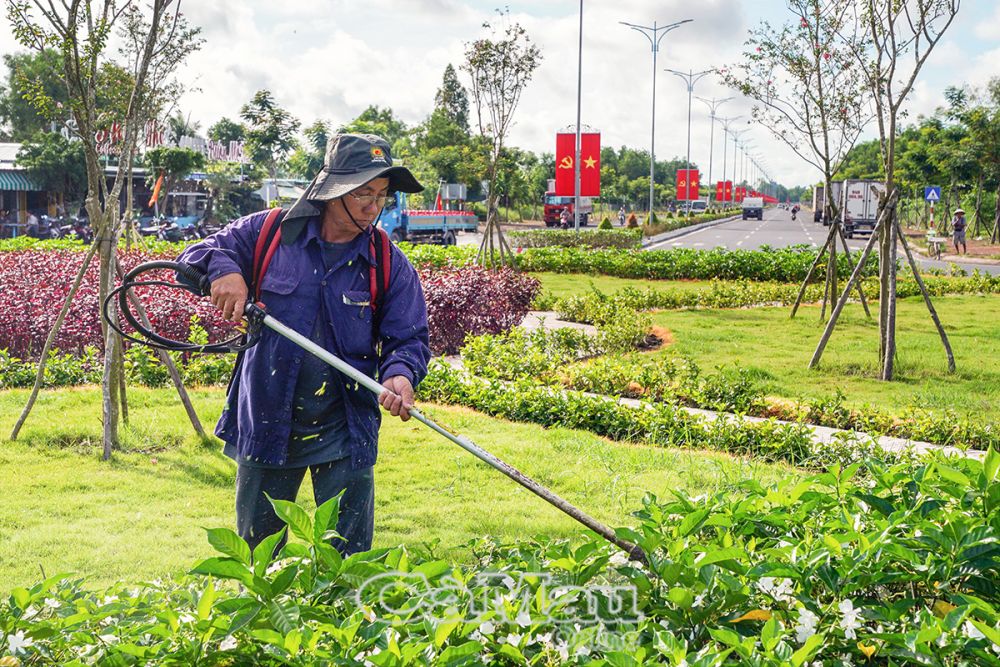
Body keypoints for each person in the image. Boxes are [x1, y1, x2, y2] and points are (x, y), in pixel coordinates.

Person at [177, 133, 431, 556]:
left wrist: (401, 374)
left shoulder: (388, 262)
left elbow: (408, 337)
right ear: (333, 192)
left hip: (345, 426)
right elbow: (201, 252)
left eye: (382, 195)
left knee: (347, 561)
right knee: (259, 560)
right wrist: (223, 270)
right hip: (267, 418)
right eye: (364, 193)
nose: (374, 206)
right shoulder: (268, 233)